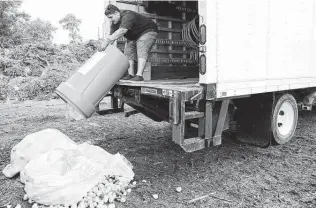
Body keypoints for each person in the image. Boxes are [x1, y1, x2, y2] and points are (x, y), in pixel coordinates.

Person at [99, 4, 158, 81]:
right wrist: (104, 49)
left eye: (111, 17)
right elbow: (112, 37)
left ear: (117, 13)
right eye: (108, 18)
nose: (110, 20)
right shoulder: (114, 23)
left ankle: (139, 75)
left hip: (148, 30)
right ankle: (130, 74)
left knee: (141, 46)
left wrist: (106, 40)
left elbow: (122, 31)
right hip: (134, 35)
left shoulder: (128, 16)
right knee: (128, 51)